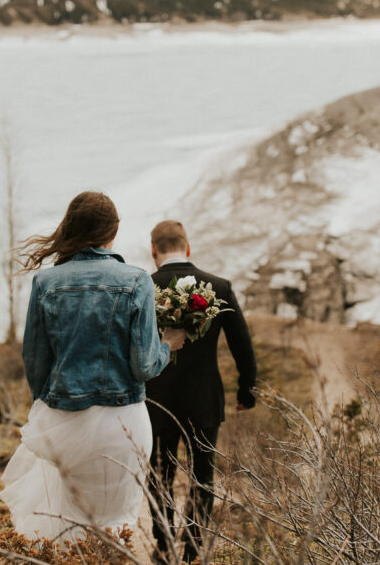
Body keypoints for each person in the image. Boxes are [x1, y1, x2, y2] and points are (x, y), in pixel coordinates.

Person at [0, 191, 185, 540]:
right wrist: (168, 344)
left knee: (67, 526)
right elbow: (144, 366)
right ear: (113, 232)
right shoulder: (136, 280)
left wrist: (52, 407)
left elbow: (35, 363)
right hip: (123, 424)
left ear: (71, 228)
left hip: (64, 421)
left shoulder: (45, 283)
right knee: (117, 524)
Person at [145, 220, 257, 563]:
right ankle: (193, 548)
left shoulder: (145, 287)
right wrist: (246, 389)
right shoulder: (219, 287)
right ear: (188, 247)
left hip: (155, 400)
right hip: (203, 398)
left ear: (154, 252)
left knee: (159, 473)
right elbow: (242, 344)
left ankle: (163, 544)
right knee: (202, 474)